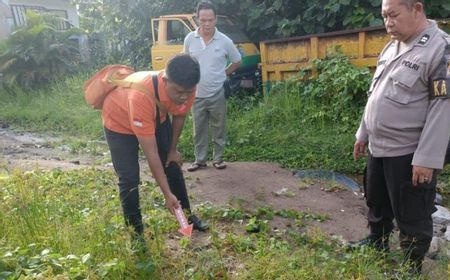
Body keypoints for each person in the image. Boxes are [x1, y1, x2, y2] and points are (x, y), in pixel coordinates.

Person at [351, 0, 450, 274]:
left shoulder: (440, 48)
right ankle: (377, 241)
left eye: (393, 15)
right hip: (379, 146)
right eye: (384, 16)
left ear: (416, 9)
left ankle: (410, 267)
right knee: (377, 199)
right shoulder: (392, 45)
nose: (388, 23)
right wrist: (363, 132)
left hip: (409, 151)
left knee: (412, 212)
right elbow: (376, 93)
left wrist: (427, 159)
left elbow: (443, 108)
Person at [101, 54, 209, 246]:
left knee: (172, 163)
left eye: (188, 92)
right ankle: (136, 232)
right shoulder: (141, 95)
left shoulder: (187, 86)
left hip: (156, 116)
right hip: (119, 122)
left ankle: (187, 216)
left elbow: (180, 116)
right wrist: (167, 194)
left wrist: (172, 150)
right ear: (166, 80)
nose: (184, 97)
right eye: (179, 92)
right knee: (129, 178)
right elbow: (151, 154)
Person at [183, 1, 242, 172]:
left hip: (217, 92)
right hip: (196, 93)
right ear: (197, 19)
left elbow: (237, 60)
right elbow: (186, 62)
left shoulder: (225, 41)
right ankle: (200, 160)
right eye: (203, 20)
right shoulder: (189, 39)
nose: (207, 24)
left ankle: (218, 158)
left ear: (216, 19)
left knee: (219, 127)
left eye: (210, 20)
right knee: (198, 129)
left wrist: (225, 72)